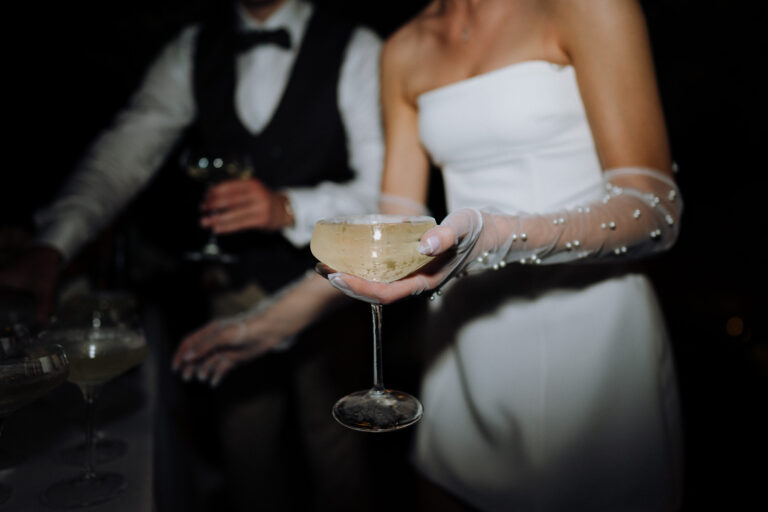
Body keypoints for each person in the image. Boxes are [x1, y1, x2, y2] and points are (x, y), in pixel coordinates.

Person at [178, 0, 684, 510]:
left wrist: (498, 235)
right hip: (463, 343)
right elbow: (389, 232)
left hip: (593, 338)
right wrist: (266, 325)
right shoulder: (403, 46)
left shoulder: (589, 8)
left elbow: (655, 211)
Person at [0, 0, 383, 510]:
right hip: (235, 285)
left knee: (341, 446)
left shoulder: (358, 46)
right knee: (245, 450)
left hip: (338, 288)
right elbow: (124, 153)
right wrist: (54, 242)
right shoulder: (192, 48)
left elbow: (388, 196)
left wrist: (289, 207)